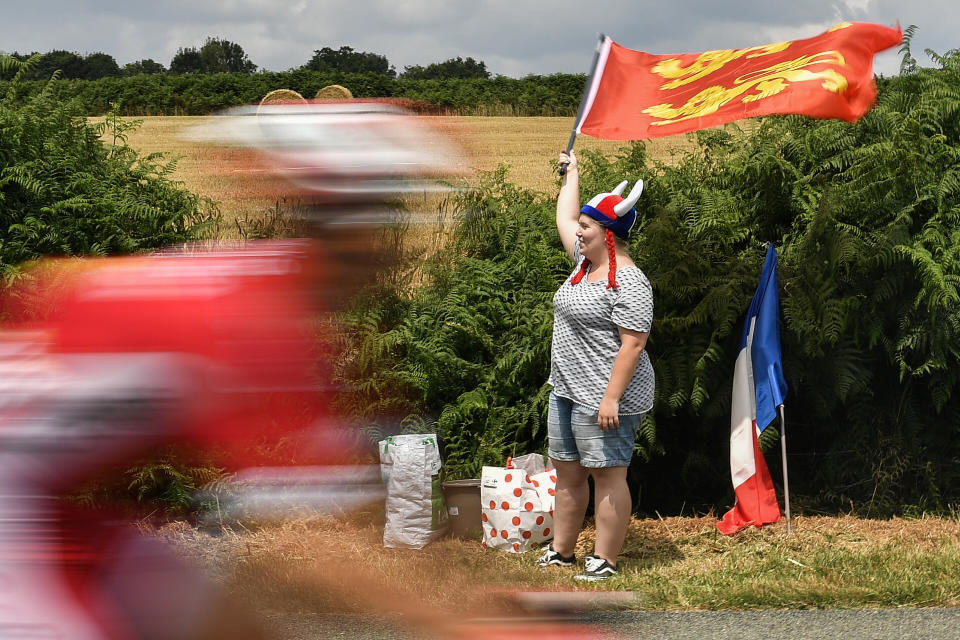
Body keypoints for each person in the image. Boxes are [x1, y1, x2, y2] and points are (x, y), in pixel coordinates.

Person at [538, 149, 655, 581]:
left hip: (607, 397)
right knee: (568, 473)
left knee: (607, 476)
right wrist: (573, 174)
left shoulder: (630, 281)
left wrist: (612, 399)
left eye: (586, 228)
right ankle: (561, 552)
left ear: (607, 235)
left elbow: (634, 345)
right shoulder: (584, 265)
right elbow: (564, 219)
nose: (576, 233)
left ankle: (604, 560)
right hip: (567, 390)